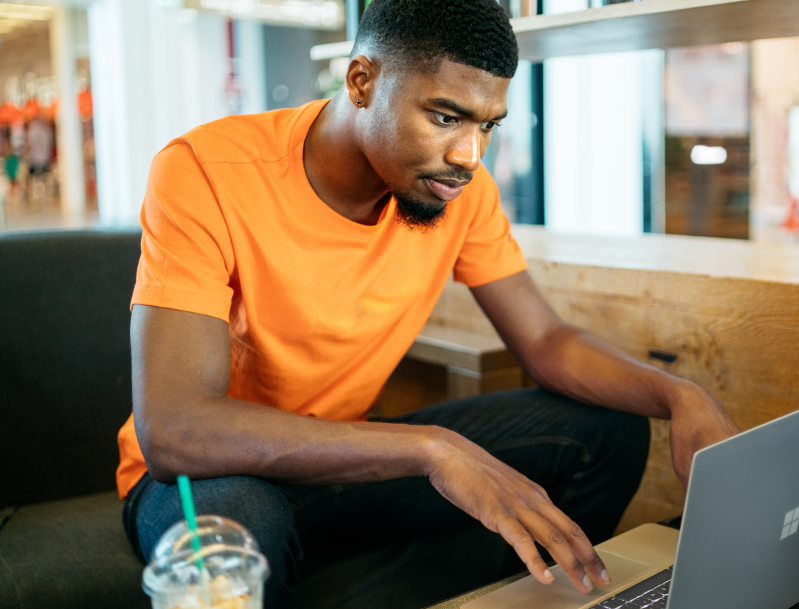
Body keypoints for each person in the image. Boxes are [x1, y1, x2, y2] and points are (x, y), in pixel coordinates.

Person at [118, 0, 739, 607]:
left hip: (342, 454)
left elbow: (545, 342)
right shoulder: (205, 171)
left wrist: (678, 396)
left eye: (487, 125)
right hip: (214, 475)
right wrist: (431, 449)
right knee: (242, 523)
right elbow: (177, 429)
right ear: (362, 81)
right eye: (446, 117)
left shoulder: (459, 192)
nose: (470, 155)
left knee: (608, 428)